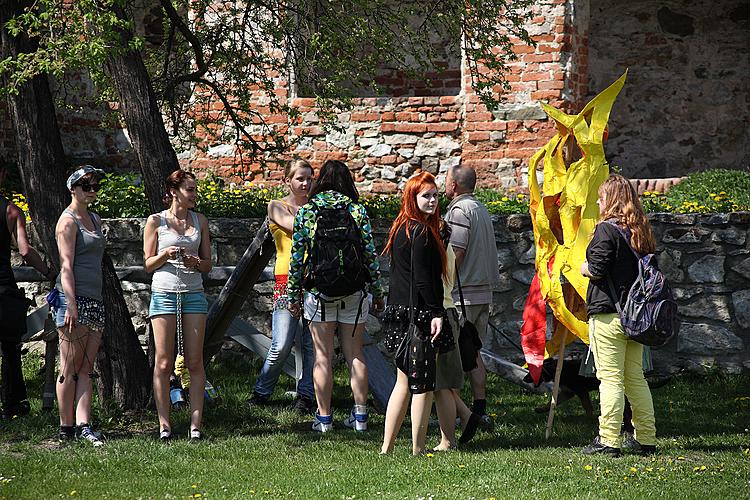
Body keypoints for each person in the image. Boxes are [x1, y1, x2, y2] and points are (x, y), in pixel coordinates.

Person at [287, 159, 385, 433]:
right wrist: (377, 292)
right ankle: (361, 417)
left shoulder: (308, 211)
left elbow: (297, 259)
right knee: (355, 354)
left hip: (319, 293)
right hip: (354, 292)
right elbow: (370, 256)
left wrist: (293, 295)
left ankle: (324, 418)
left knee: (322, 356)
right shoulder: (356, 210)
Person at [580, 173, 657, 457]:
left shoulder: (606, 230)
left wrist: (583, 268)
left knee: (610, 379)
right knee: (636, 378)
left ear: (610, 200)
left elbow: (597, 269)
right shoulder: (640, 230)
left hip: (608, 315)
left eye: (601, 197)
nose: (598, 202)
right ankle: (646, 438)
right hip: (637, 315)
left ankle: (609, 440)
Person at [380, 171, 450, 455]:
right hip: (418, 315)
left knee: (403, 382)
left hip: (399, 312)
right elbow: (423, 279)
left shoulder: (401, 227)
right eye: (426, 196)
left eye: (435, 195)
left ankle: (387, 447)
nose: (432, 201)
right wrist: (436, 312)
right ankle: (418, 449)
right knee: (423, 385)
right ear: (413, 197)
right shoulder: (420, 231)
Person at [144, 169, 212, 441]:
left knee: (195, 361)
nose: (194, 194)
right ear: (174, 192)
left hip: (194, 293)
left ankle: (195, 426)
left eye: (195, 189)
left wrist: (196, 263)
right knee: (163, 362)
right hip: (164, 293)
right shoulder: (155, 221)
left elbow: (208, 264)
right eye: (190, 189)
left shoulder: (200, 221)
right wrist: (164, 254)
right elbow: (148, 264)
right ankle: (164, 424)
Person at [247, 159, 316, 414]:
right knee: (282, 342)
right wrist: (314, 219)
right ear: (288, 180)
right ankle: (262, 391)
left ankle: (306, 396)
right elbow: (298, 228)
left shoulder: (314, 206)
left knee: (311, 345)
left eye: (309, 178)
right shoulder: (276, 206)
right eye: (300, 178)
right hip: (286, 281)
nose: (306, 183)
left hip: (314, 281)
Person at [54, 165, 107, 446]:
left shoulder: (95, 219)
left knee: (87, 366)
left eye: (95, 185)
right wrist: (71, 304)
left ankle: (84, 425)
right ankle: (66, 427)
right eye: (87, 185)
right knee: (69, 366)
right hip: (71, 298)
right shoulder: (68, 221)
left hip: (95, 297)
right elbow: (65, 266)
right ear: (73, 188)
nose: (92, 190)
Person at [444, 164, 500, 422]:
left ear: (454, 184)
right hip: (482, 294)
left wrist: (443, 281)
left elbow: (457, 251)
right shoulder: (481, 208)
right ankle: (479, 408)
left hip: (462, 296)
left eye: (446, 180)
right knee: (473, 353)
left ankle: (456, 413)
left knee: (455, 356)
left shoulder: (458, 210)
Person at [0, 168, 57, 420]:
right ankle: (14, 405)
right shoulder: (11, 211)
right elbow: (24, 250)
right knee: (10, 348)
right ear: (3, 174)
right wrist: (48, 271)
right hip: (3, 287)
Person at [432, 223, 482, 450]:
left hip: (440, 312)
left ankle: (448, 438)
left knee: (441, 380)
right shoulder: (449, 248)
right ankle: (465, 414)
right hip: (448, 309)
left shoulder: (438, 249)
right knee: (440, 378)